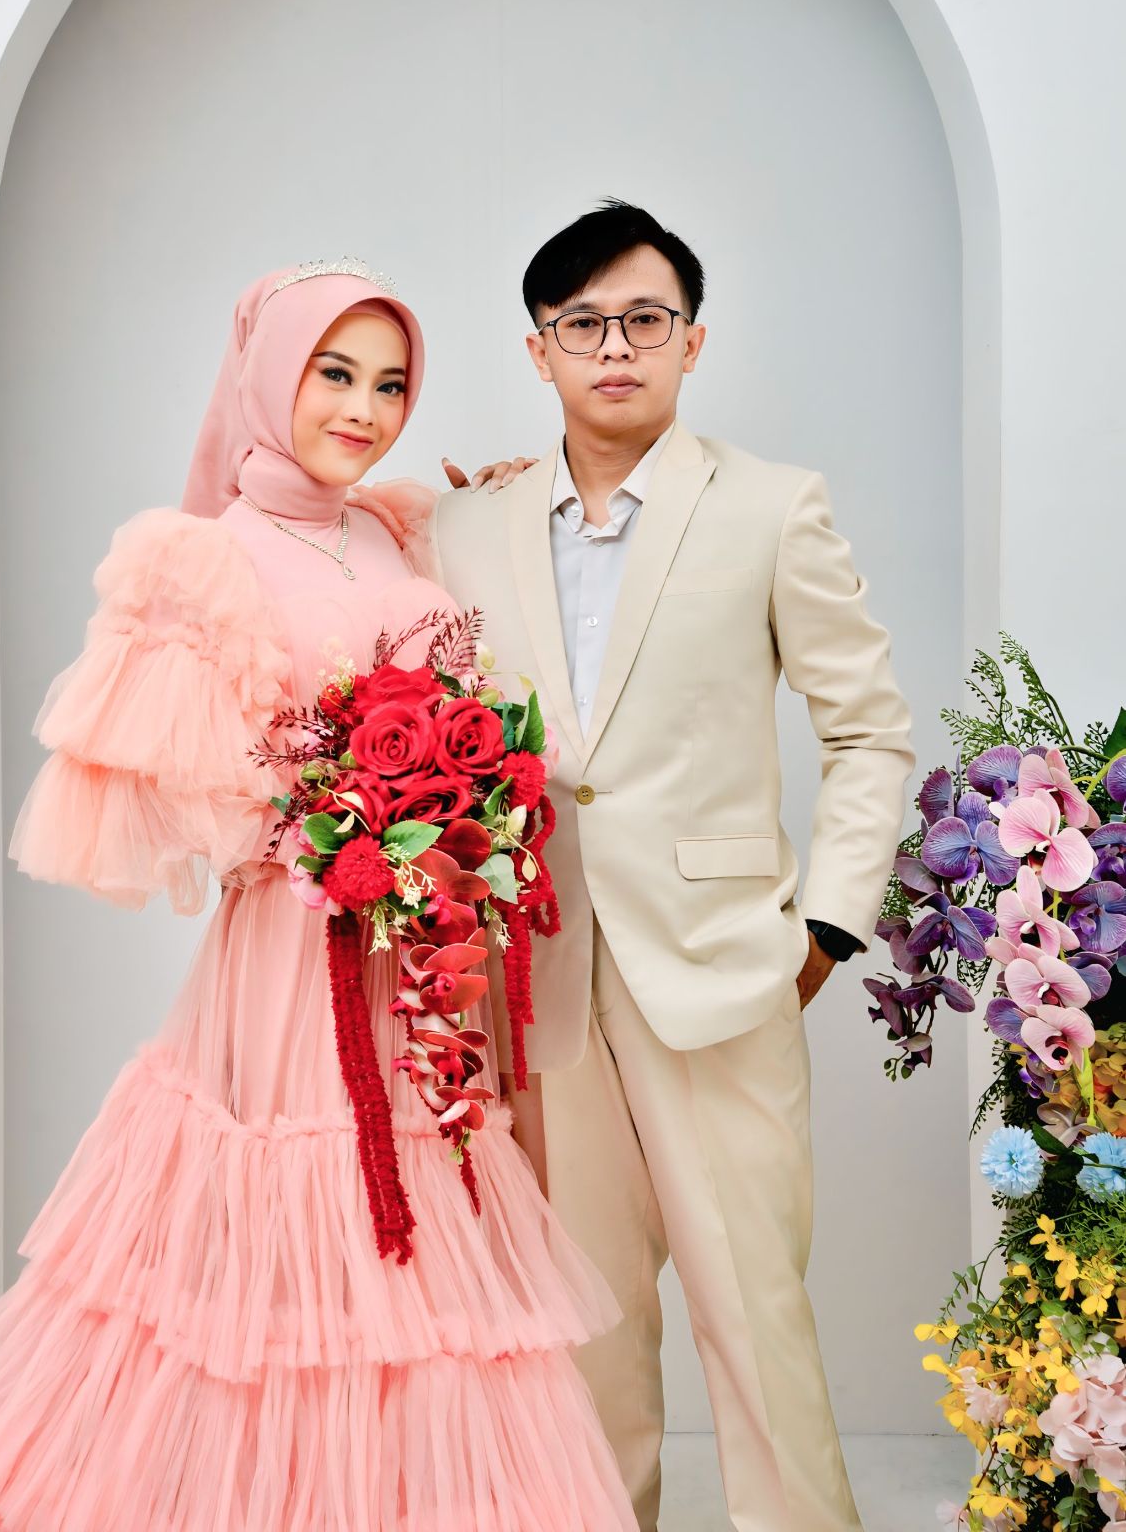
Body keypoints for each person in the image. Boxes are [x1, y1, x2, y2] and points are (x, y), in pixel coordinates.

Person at [0, 259, 636, 1531]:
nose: (364, 410)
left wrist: (446, 805)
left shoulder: (394, 529)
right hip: (291, 961)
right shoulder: (204, 557)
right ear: (271, 378)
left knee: (420, 1266)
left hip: (414, 970)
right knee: (285, 1241)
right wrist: (337, 813)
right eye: (335, 375)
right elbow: (180, 800)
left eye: (390, 384)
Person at [428, 201, 916, 1532]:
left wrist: (827, 927)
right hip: (539, 984)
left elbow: (868, 730)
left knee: (753, 1317)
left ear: (691, 341)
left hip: (721, 971)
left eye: (643, 319)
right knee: (583, 1333)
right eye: (581, 323)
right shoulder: (465, 527)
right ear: (537, 350)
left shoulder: (769, 507)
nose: (614, 347)